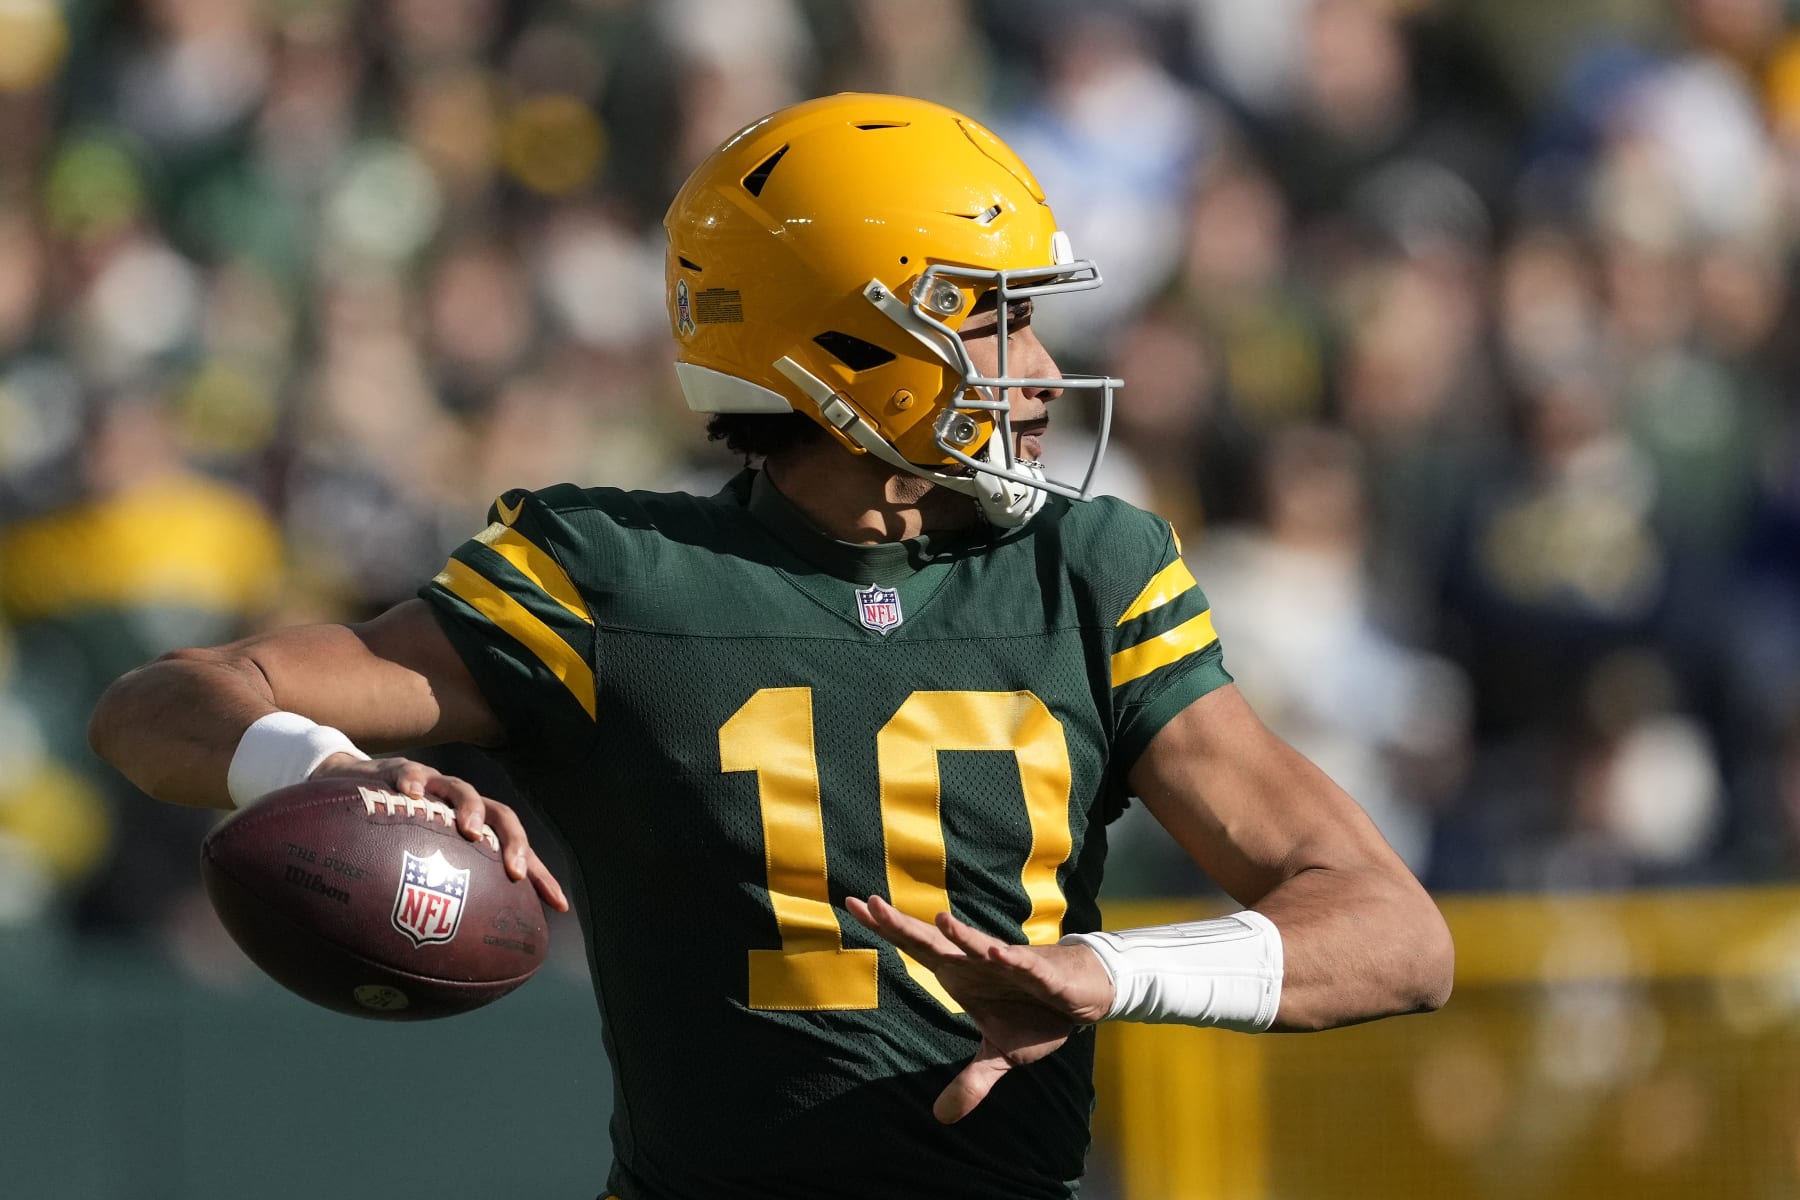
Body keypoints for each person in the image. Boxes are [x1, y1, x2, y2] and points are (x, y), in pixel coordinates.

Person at [89, 94, 1452, 1200]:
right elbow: (159, 709)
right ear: (847, 341)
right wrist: (319, 766)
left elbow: (1397, 936)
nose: (1034, 365)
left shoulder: (1089, 571)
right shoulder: (613, 574)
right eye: (992, 313)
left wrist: (1111, 971)